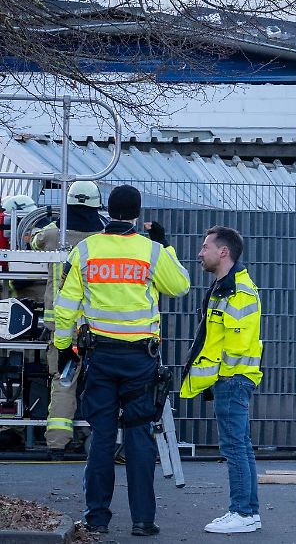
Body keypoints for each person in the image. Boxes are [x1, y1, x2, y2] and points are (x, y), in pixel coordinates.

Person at [53, 185, 191, 537]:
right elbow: (180, 286)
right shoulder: (151, 251)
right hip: (140, 361)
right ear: (136, 214)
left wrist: (64, 345)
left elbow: (66, 303)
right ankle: (143, 521)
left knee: (101, 437)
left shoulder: (85, 250)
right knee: (139, 437)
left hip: (99, 356)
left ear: (108, 211)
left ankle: (96, 518)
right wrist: (166, 244)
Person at [180, 226, 264, 535]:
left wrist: (221, 377)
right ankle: (249, 512)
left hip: (232, 379)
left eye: (205, 247)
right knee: (240, 447)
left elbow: (237, 344)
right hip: (232, 379)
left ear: (223, 252)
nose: (200, 253)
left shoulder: (237, 290)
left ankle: (242, 513)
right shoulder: (226, 287)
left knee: (234, 448)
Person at [30, 181, 107, 454]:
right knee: (100, 384)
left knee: (63, 383)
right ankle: (94, 440)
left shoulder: (53, 235)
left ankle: (56, 444)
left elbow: (32, 239)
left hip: (62, 326)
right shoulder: (103, 238)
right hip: (99, 326)